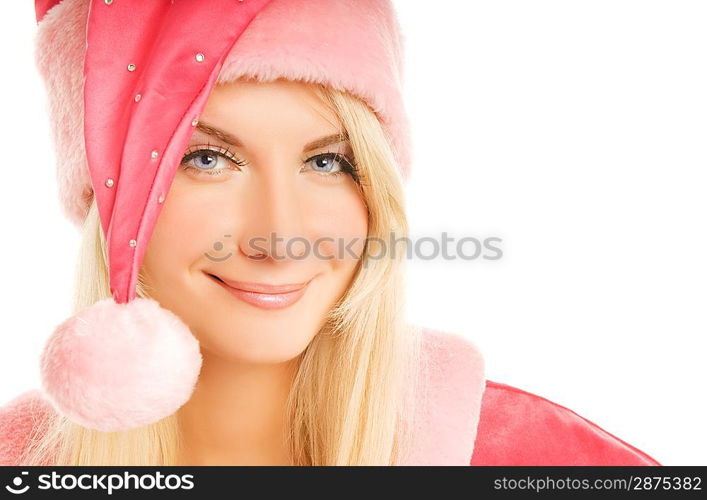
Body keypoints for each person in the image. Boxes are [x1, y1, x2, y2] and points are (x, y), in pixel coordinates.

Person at [0, 0, 660, 466]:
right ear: (109, 203)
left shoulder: (536, 458)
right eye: (205, 158)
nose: (280, 234)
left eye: (326, 162)